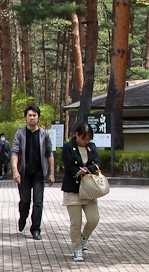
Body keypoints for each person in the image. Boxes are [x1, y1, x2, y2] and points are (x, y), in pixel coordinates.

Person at [11, 104, 54, 239]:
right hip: (24, 173)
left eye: (34, 115)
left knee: (38, 202)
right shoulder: (20, 133)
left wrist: (52, 173)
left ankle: (36, 229)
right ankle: (23, 217)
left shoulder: (44, 134)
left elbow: (49, 154)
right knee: (25, 201)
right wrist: (15, 171)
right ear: (25, 117)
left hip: (39, 173)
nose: (32, 118)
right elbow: (15, 152)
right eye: (29, 115)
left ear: (38, 117)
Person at [60, 122, 102, 261]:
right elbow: (69, 166)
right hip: (73, 190)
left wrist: (88, 169)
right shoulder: (68, 147)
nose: (86, 142)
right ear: (77, 134)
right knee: (75, 222)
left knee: (93, 218)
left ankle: (83, 238)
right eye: (84, 138)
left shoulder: (92, 147)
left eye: (89, 139)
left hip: (89, 189)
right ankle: (77, 248)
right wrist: (80, 172)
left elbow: (96, 163)